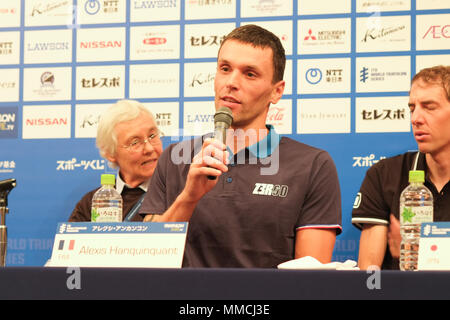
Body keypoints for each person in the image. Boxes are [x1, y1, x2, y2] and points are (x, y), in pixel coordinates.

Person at [139, 25, 342, 268]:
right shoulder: (174, 158)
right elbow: (147, 259)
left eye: (250, 74)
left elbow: (310, 282)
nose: (231, 82)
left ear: (276, 92)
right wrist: (189, 198)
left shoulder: (313, 165)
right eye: (225, 69)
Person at [352, 65, 450, 270]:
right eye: (412, 108)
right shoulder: (384, 174)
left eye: (429, 107)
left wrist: (417, 255)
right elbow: (369, 274)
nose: (415, 119)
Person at [69, 99, 163, 222]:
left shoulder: (181, 193)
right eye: (135, 142)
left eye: (152, 136)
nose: (149, 148)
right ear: (110, 153)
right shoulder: (94, 203)